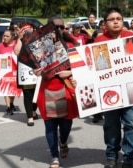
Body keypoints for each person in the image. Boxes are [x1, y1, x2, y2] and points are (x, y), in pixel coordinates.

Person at [94, 7, 133, 168]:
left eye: (119, 18)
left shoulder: (131, 37)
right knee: (111, 125)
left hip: (132, 88)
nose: (115, 21)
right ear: (105, 23)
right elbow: (97, 69)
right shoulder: (100, 41)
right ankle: (111, 155)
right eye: (112, 19)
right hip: (109, 89)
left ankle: (130, 157)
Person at [33, 15, 79, 168]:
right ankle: (54, 156)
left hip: (66, 88)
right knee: (50, 126)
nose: (59, 29)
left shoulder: (73, 44)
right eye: (54, 27)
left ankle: (63, 142)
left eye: (61, 26)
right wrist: (36, 71)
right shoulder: (40, 47)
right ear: (48, 29)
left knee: (66, 125)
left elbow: (85, 66)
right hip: (46, 90)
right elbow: (24, 56)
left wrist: (71, 72)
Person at [14, 22, 39, 126]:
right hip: (25, 72)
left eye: (30, 29)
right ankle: (29, 117)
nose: (28, 31)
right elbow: (16, 52)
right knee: (28, 94)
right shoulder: (20, 41)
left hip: (36, 71)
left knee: (36, 94)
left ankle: (33, 111)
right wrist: (19, 39)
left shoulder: (37, 40)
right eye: (25, 30)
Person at [0, 30, 18, 115]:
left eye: (7, 36)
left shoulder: (16, 44)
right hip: (4, 71)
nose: (4, 37)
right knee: (6, 90)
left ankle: (11, 103)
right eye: (4, 36)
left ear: (12, 37)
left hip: (15, 71)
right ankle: (8, 107)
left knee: (13, 90)